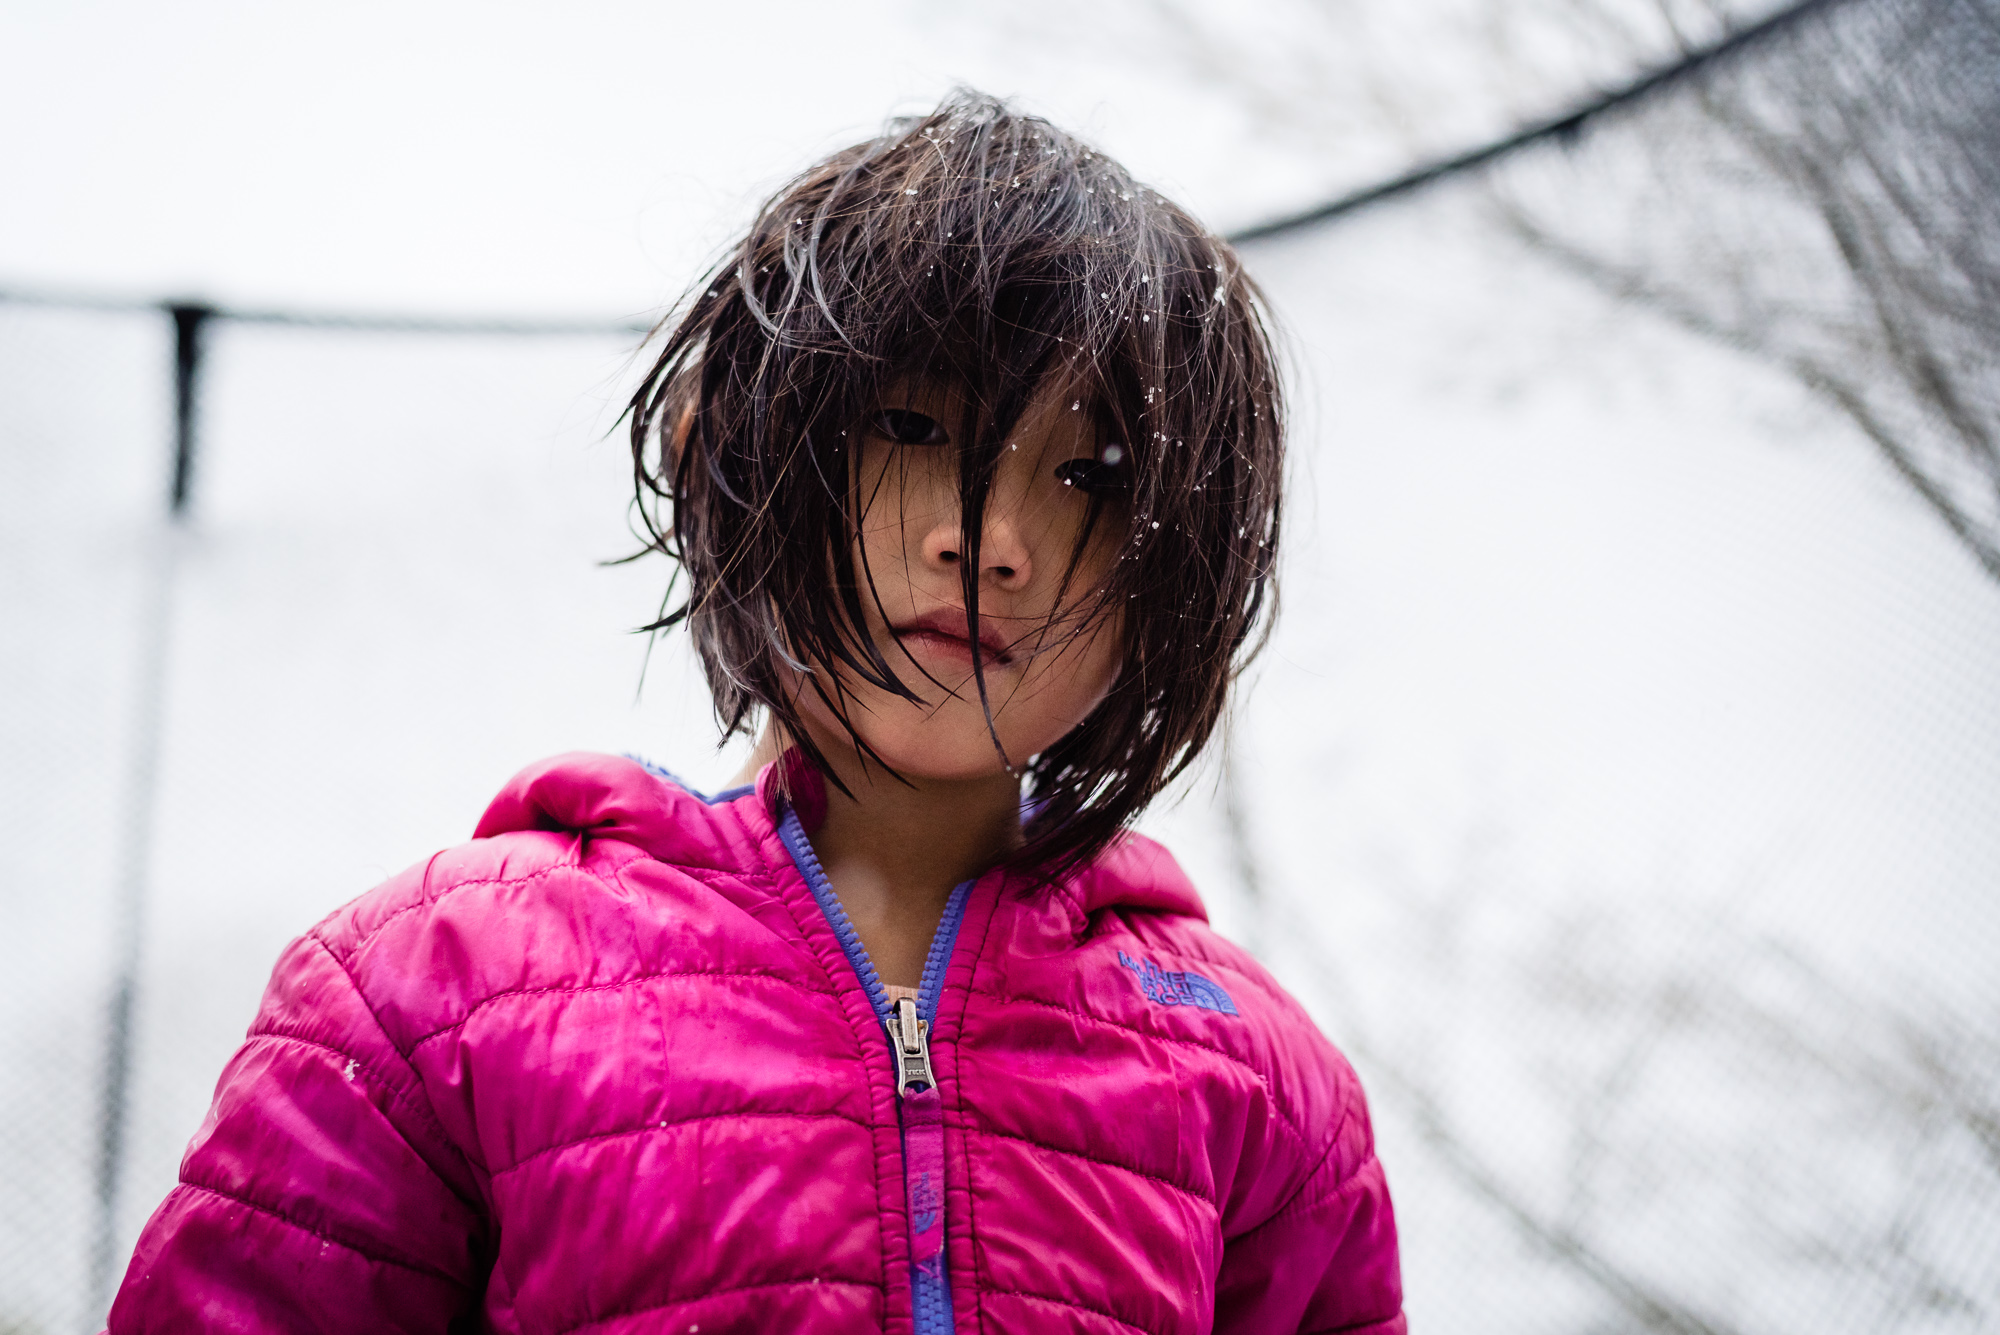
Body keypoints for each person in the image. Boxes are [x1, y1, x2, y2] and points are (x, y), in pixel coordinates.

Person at [106, 90, 1404, 1334]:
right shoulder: (430, 997)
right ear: (750, 456)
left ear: (1175, 562)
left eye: (1086, 473)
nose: (993, 537)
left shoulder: (1265, 1095)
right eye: (908, 427)